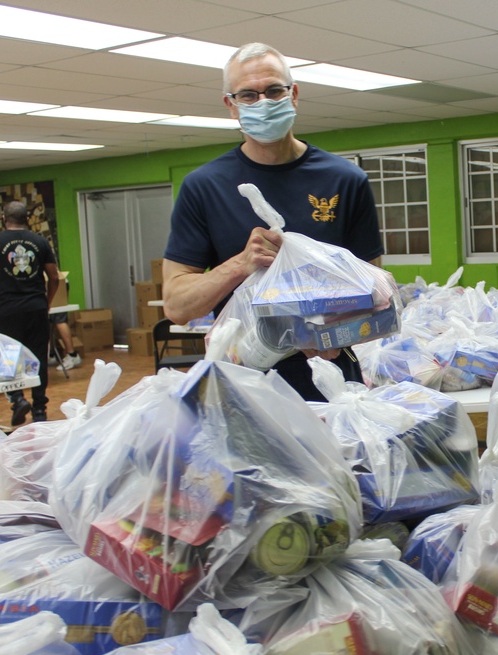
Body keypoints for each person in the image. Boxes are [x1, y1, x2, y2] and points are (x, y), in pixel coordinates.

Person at [162, 42, 383, 401]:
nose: (263, 103)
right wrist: (241, 265)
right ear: (230, 105)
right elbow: (177, 306)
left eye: (274, 90)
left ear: (293, 95)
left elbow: (377, 295)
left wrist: (335, 332)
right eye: (248, 95)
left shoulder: (345, 180)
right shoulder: (204, 187)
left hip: (331, 385)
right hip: (241, 388)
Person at [0, 201, 60, 425]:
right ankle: (40, 408)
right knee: (38, 358)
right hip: (36, 307)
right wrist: (47, 301)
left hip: (8, 309)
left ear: (5, 218)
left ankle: (17, 399)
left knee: (8, 357)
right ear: (26, 218)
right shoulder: (40, 241)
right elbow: (54, 277)